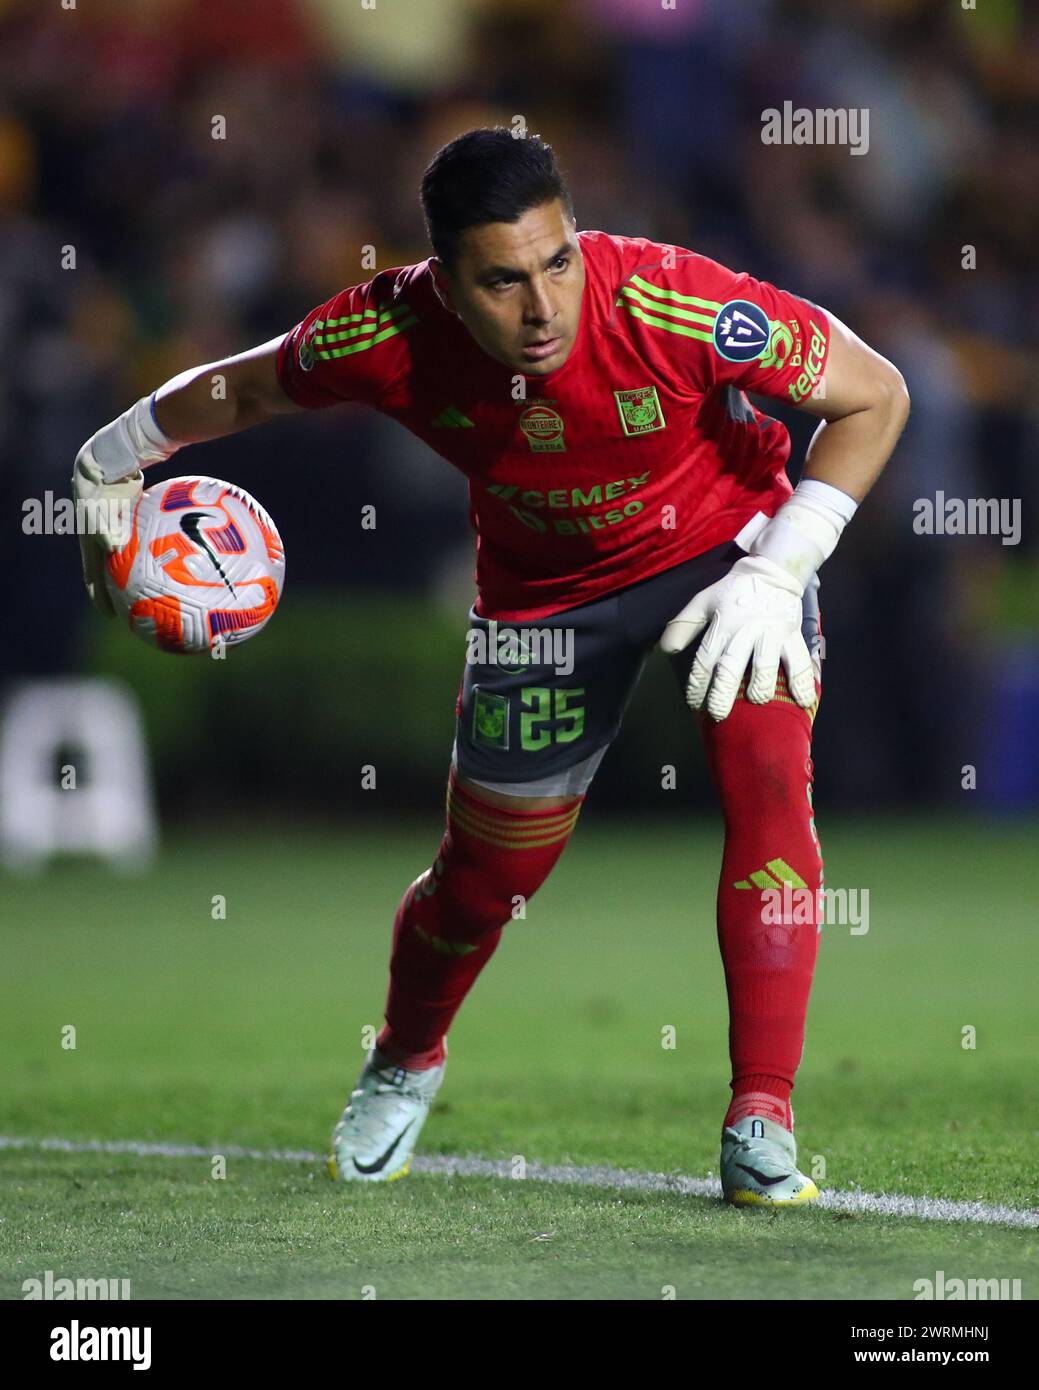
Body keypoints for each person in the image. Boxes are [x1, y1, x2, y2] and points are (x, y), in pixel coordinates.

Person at [73, 128, 909, 1205]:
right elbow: (246, 391)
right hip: (542, 600)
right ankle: (405, 1056)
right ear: (444, 283)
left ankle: (762, 1112)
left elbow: (874, 392)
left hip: (728, 560)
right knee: (483, 881)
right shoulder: (384, 330)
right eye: (503, 281)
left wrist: (784, 562)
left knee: (768, 790)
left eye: (556, 262)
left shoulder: (669, 299)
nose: (543, 306)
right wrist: (117, 450)